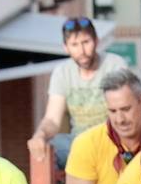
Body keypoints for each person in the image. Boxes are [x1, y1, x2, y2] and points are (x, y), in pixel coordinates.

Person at [27, 17, 129, 164]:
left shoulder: (115, 65)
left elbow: (127, 110)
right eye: (74, 45)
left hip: (112, 138)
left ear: (96, 41)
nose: (81, 51)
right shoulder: (62, 72)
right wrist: (39, 136)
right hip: (78, 141)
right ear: (66, 48)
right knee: (48, 148)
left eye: (86, 42)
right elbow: (52, 119)